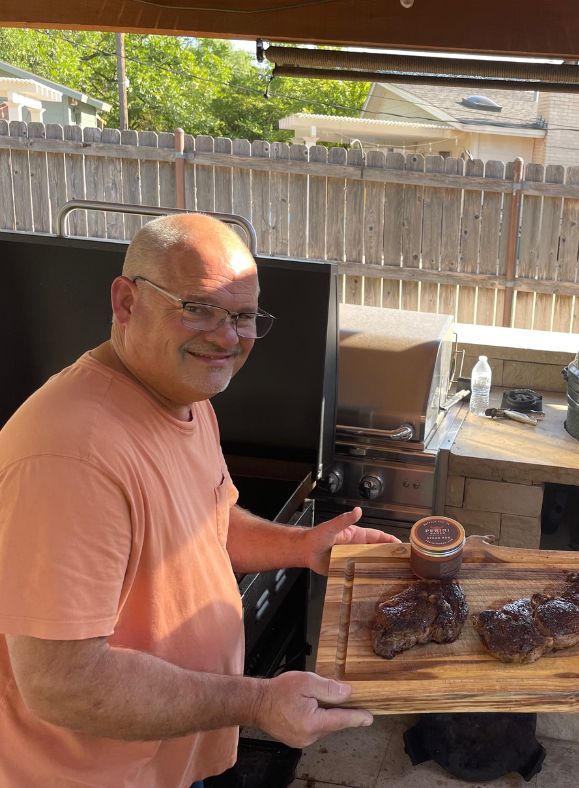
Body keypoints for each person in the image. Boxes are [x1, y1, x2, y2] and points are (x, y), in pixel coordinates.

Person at [0, 213, 398, 787]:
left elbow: (204, 524)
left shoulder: (184, 399)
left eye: (242, 316)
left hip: (168, 756)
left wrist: (302, 545)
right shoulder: (69, 456)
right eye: (199, 307)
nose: (227, 336)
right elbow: (65, 684)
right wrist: (258, 703)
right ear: (126, 301)